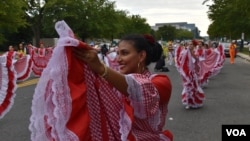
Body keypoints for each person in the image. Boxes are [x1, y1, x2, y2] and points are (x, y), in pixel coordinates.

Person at [29, 21, 173, 141]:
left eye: (125, 53)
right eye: (117, 53)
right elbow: (95, 89)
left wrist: (100, 68)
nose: (118, 59)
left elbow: (137, 88)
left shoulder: (160, 82)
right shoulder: (114, 81)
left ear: (141, 56)